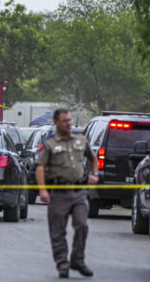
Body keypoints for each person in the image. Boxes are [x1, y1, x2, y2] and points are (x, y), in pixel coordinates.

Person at [36, 109, 98, 279]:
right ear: (56, 123)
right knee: (58, 231)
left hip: (79, 192)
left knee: (82, 225)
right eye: (65, 121)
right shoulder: (48, 144)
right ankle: (62, 264)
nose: (69, 123)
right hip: (59, 193)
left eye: (69, 120)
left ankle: (77, 260)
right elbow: (40, 167)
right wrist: (42, 190)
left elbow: (93, 158)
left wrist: (95, 174)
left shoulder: (80, 140)